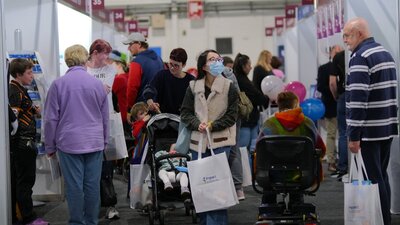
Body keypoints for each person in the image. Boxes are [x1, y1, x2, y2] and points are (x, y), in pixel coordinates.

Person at [43, 44, 109, 225]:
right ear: (85, 59)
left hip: (68, 143)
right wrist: (104, 141)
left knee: (74, 188)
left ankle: (76, 222)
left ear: (67, 60)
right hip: (94, 142)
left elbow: (50, 120)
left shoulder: (58, 85)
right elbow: (105, 119)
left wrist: (50, 146)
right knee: (92, 187)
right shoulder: (97, 85)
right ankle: (91, 222)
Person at [343, 17, 398, 225]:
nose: (345, 40)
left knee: (374, 180)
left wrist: (353, 135)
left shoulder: (360, 57)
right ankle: (383, 218)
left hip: (369, 132)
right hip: (386, 128)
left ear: (360, 34)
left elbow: (357, 100)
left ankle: (380, 220)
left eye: (347, 35)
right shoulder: (385, 53)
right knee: (381, 177)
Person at [180, 49, 239, 225]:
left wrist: (213, 125)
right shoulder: (193, 86)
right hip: (197, 144)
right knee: (202, 190)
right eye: (212, 59)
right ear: (204, 66)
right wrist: (196, 124)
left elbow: (232, 115)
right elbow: (185, 112)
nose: (217, 62)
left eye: (218, 58)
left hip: (221, 143)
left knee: (218, 190)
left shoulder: (229, 86)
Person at [258, 91, 326, 205]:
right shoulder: (307, 123)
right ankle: (297, 201)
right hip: (301, 175)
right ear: (295, 104)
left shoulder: (269, 124)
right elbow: (321, 149)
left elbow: (259, 150)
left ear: (279, 105)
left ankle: (268, 205)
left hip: (272, 174)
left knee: (268, 185)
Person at [8, 58, 48, 225]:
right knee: (25, 181)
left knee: (24, 181)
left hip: (25, 141)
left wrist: (33, 109)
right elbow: (13, 117)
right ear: (18, 74)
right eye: (29, 73)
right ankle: (28, 217)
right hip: (22, 143)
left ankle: (22, 215)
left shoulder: (19, 89)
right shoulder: (14, 90)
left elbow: (23, 109)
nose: (32, 76)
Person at [86, 39, 119, 220]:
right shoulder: (85, 69)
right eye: (104, 53)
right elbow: (99, 89)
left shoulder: (110, 69)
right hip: (88, 122)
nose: (107, 57)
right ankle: (93, 206)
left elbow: (106, 90)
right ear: (95, 52)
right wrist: (97, 88)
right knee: (90, 169)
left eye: (108, 53)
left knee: (107, 167)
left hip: (105, 121)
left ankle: (111, 205)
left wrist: (92, 88)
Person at [234, 53, 269, 170]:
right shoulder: (241, 81)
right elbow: (257, 97)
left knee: (250, 150)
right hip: (246, 121)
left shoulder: (242, 79)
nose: (251, 67)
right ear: (243, 66)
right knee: (244, 150)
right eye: (249, 64)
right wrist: (265, 98)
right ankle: (246, 176)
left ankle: (249, 175)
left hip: (250, 120)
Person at [142, 48, 194, 115]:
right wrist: (150, 101)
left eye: (176, 65)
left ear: (184, 65)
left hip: (182, 120)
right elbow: (149, 88)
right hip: (162, 119)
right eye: (171, 64)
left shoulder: (191, 82)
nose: (172, 68)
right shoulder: (162, 75)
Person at [317, 45, 342, 172]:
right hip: (330, 105)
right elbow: (320, 86)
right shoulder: (324, 68)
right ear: (330, 53)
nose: (338, 54)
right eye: (335, 51)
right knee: (332, 134)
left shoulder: (345, 66)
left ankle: (342, 161)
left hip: (343, 105)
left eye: (340, 52)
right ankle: (331, 161)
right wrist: (335, 91)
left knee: (343, 134)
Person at [123, 32, 164, 110]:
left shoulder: (136, 62)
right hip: (157, 106)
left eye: (130, 44)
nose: (128, 48)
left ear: (138, 44)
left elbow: (132, 88)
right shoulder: (159, 59)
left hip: (141, 109)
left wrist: (130, 108)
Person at [222, 56, 244, 200]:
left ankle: (233, 187)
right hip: (233, 116)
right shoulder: (229, 72)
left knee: (228, 152)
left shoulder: (226, 73)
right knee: (234, 151)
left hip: (227, 117)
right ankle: (237, 188)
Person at [329, 49, 347, 180]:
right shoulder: (362, 53)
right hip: (360, 95)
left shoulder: (338, 57)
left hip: (344, 96)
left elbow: (332, 83)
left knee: (343, 133)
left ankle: (343, 168)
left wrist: (336, 96)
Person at [110, 50, 130, 134]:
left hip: (121, 119)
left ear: (118, 64)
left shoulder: (119, 79)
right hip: (127, 116)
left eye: (111, 64)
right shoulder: (128, 76)